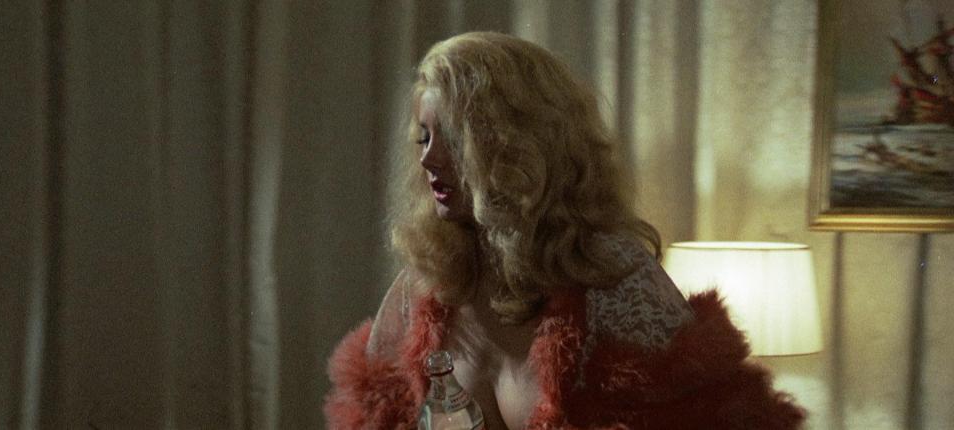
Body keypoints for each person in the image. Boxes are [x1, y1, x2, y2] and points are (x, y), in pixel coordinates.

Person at [324, 32, 805, 429]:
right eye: (424, 137)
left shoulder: (614, 279)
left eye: (450, 136)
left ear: (515, 143)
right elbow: (372, 419)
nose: (428, 159)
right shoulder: (427, 286)